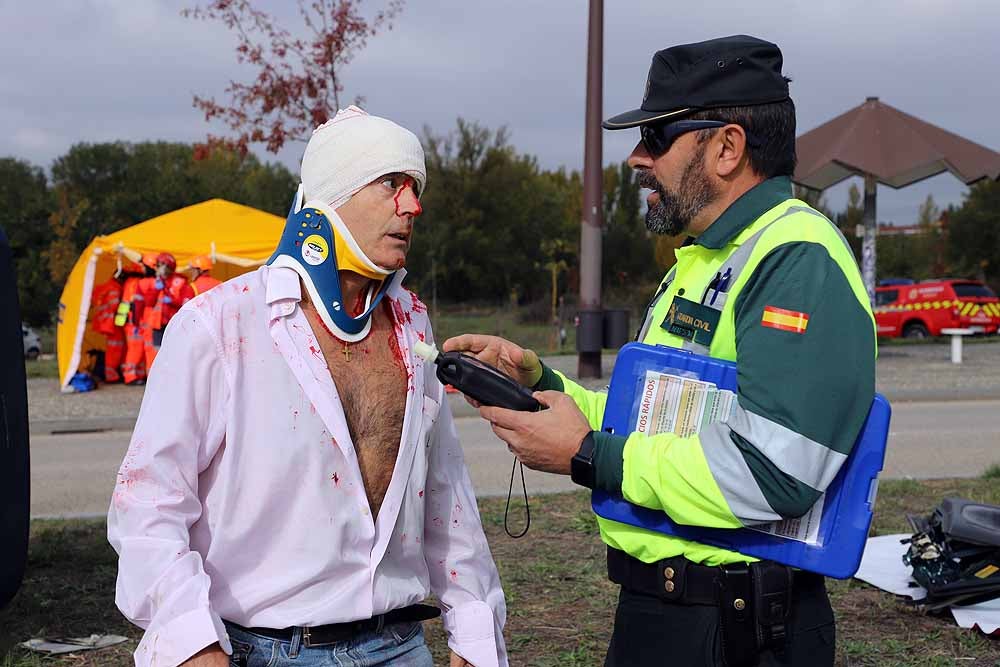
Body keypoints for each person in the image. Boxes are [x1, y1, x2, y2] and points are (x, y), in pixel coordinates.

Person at [446, 36, 876, 667]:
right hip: (669, 615)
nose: (635, 158)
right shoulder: (704, 259)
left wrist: (591, 456)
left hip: (739, 631)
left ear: (727, 147)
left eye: (657, 136)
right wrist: (545, 387)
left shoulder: (793, 259)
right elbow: (663, 423)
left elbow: (776, 470)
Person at [109, 106, 507, 667]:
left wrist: (475, 634)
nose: (413, 206)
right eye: (391, 184)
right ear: (332, 196)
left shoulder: (412, 325)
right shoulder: (219, 325)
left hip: (401, 646)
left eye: (415, 189)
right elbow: (147, 504)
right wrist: (191, 645)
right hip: (262, 651)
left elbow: (446, 497)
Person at [142, 252, 194, 367]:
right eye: (158, 266)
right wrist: (156, 289)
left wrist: (171, 300)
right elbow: (149, 302)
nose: (159, 269)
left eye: (161, 265)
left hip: (173, 325)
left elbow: (186, 303)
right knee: (157, 355)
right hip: (158, 325)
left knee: (173, 354)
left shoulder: (181, 282)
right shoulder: (157, 282)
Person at [118, 252, 159, 385]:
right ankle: (131, 376)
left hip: (137, 321)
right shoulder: (137, 283)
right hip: (136, 321)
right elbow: (135, 303)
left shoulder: (134, 282)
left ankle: (137, 375)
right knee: (138, 348)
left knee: (141, 348)